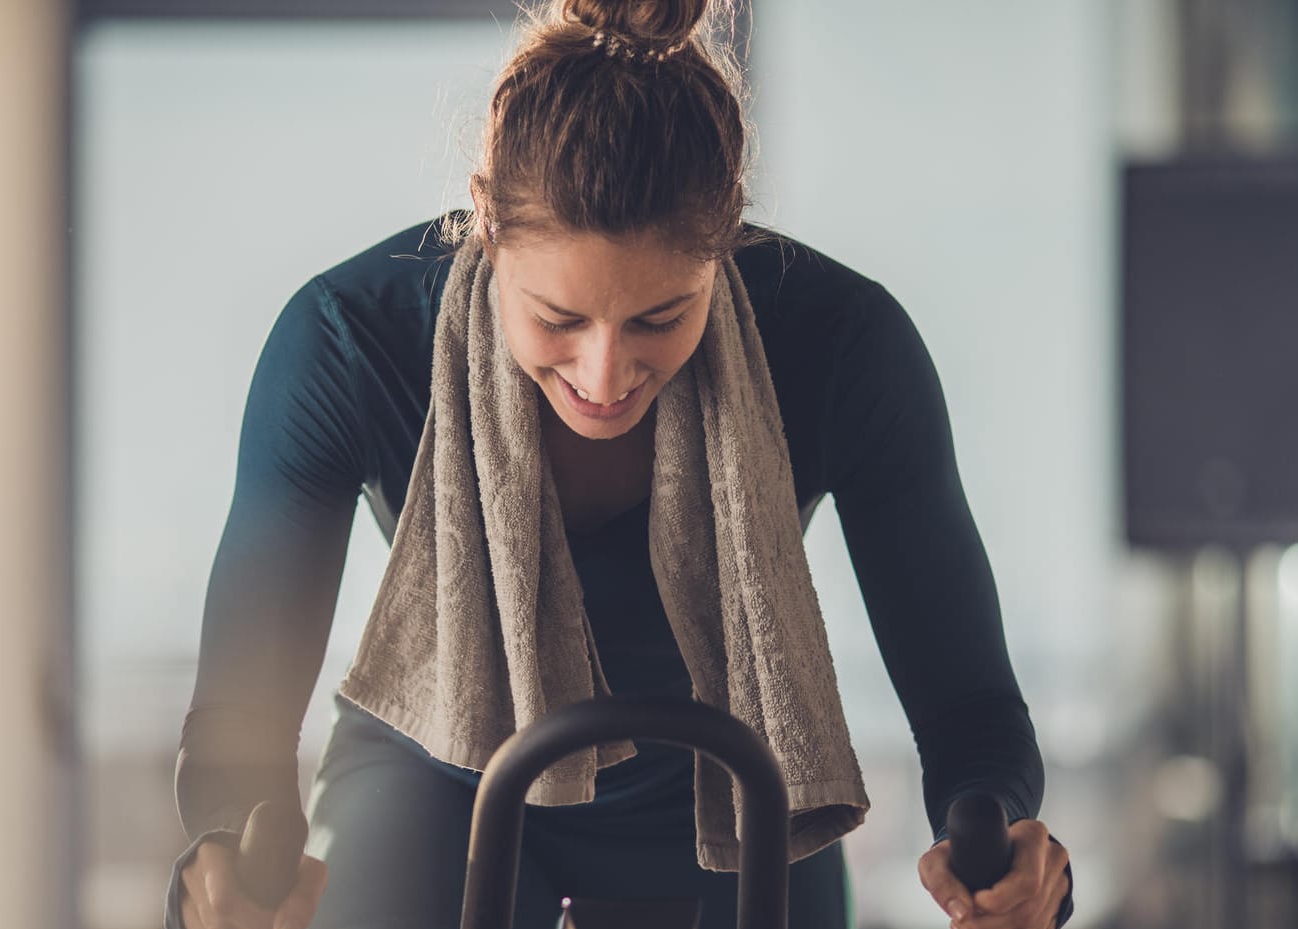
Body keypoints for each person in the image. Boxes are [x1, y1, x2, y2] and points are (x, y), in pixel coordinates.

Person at [166, 1, 1074, 928]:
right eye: (558, 319)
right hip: (441, 773)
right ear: (484, 221)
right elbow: (240, 714)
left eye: (658, 318)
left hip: (736, 784)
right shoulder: (346, 342)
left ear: (725, 246)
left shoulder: (845, 343)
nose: (604, 376)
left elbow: (967, 706)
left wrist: (1000, 842)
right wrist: (232, 850)